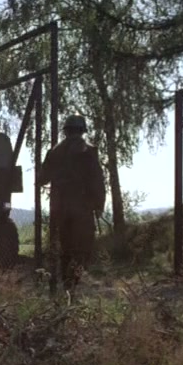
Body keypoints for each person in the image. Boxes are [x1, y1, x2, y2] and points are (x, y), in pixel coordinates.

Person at [38, 114, 106, 290]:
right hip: (82, 207)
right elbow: (97, 180)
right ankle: (74, 281)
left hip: (60, 207)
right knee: (83, 246)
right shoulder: (89, 151)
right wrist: (99, 205)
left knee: (65, 246)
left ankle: (66, 282)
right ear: (82, 130)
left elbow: (42, 179)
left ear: (66, 131)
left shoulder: (54, 152)